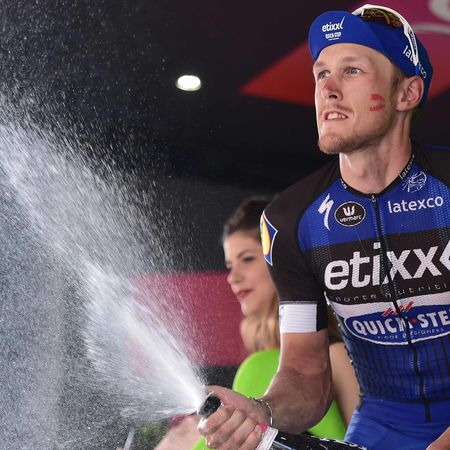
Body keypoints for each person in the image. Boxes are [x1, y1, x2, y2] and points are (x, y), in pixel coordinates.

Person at [198, 5, 450, 450]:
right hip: (383, 424)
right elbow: (305, 371)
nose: (328, 90)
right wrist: (263, 411)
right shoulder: (290, 220)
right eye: (321, 74)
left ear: (407, 92)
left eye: (351, 70)